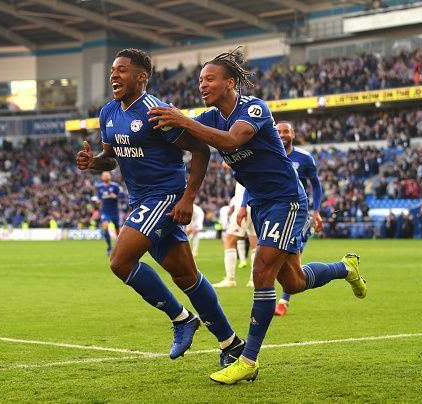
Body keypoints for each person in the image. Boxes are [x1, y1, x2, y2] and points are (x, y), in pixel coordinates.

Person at [148, 48, 367, 385]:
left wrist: (181, 118)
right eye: (199, 80)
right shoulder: (208, 118)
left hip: (286, 200)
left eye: (209, 79)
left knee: (262, 271)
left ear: (230, 82)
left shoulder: (254, 108)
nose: (201, 85)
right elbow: (189, 140)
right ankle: (345, 267)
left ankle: (247, 359)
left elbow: (233, 140)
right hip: (261, 205)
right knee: (292, 281)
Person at [76, 48, 244, 367]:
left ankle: (181, 319)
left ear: (142, 77)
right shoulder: (108, 113)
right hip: (140, 199)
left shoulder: (156, 112)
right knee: (186, 276)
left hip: (164, 196)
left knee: (120, 261)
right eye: (112, 70)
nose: (114, 75)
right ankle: (232, 344)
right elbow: (111, 157)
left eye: (122, 70)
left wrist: (188, 198)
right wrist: (93, 162)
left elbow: (200, 151)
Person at [273, 121, 324, 316]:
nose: (283, 134)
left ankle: (283, 301)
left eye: (286, 131)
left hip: (300, 214)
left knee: (293, 253)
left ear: (293, 134)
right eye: (279, 131)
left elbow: (316, 185)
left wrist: (317, 211)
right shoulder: (269, 155)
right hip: (275, 212)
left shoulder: (304, 158)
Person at [213, 177, 257, 289]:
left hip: (244, 205)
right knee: (255, 244)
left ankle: (230, 279)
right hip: (256, 203)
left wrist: (242, 206)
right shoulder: (259, 161)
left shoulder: (241, 162)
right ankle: (254, 280)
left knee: (229, 241)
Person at [96, 171, 126, 255]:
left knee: (117, 230)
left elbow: (123, 196)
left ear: (110, 176)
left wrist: (116, 196)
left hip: (114, 212)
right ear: (102, 177)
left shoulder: (115, 186)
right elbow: (99, 197)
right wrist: (98, 200)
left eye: (107, 175)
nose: (106, 177)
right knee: (105, 227)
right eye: (104, 175)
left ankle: (118, 247)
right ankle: (109, 247)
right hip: (105, 211)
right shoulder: (99, 187)